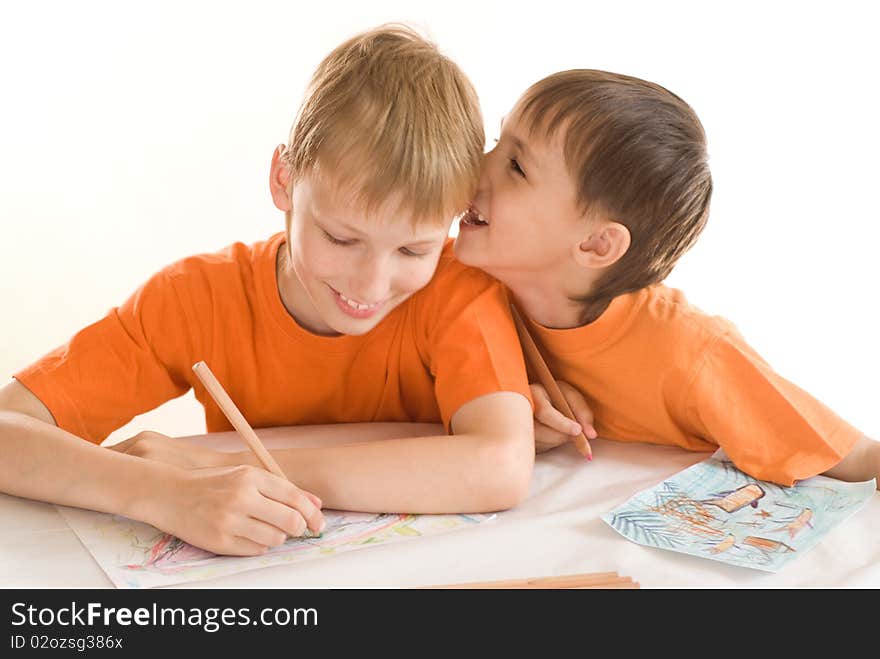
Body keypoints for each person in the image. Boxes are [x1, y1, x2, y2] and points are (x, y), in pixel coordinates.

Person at [0, 25, 534, 557]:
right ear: (284, 179)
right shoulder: (197, 298)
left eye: (413, 251)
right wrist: (160, 492)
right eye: (341, 238)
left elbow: (501, 468)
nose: (370, 285)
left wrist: (213, 466)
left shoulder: (459, 290)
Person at [454, 69, 879, 488]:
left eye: (516, 165)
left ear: (598, 245)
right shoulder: (446, 281)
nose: (476, 163)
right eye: (496, 141)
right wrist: (510, 406)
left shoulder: (688, 350)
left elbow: (858, 457)